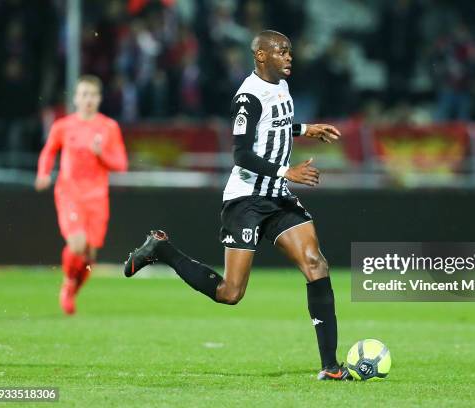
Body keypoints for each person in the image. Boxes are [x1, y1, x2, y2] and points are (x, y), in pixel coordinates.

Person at [124, 30, 348, 380]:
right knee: (230, 293)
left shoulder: (281, 86)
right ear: (261, 55)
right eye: (281, 52)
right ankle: (163, 250)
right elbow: (242, 155)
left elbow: (276, 126)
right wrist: (286, 171)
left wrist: (305, 129)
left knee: (316, 264)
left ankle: (331, 368)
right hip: (246, 198)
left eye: (290, 51)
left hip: (277, 195)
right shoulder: (247, 97)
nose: (289, 57)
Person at [36, 75, 128, 315]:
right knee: (77, 244)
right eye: (84, 94)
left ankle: (73, 290)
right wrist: (43, 173)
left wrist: (101, 154)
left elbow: (121, 163)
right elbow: (48, 152)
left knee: (89, 257)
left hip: (97, 197)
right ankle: (68, 283)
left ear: (99, 98)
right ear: (76, 98)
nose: (88, 99)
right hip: (70, 192)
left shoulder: (109, 127)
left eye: (93, 95)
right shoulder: (63, 126)